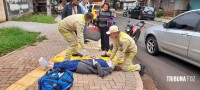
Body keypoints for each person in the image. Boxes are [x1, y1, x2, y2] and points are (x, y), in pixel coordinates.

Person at [39, 57, 114, 77]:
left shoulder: (109, 69)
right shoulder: (106, 62)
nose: (112, 61)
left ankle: (47, 65)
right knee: (66, 63)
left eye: (113, 62)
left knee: (66, 65)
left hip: (82, 67)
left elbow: (101, 74)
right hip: (83, 62)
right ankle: (49, 63)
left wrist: (97, 64)